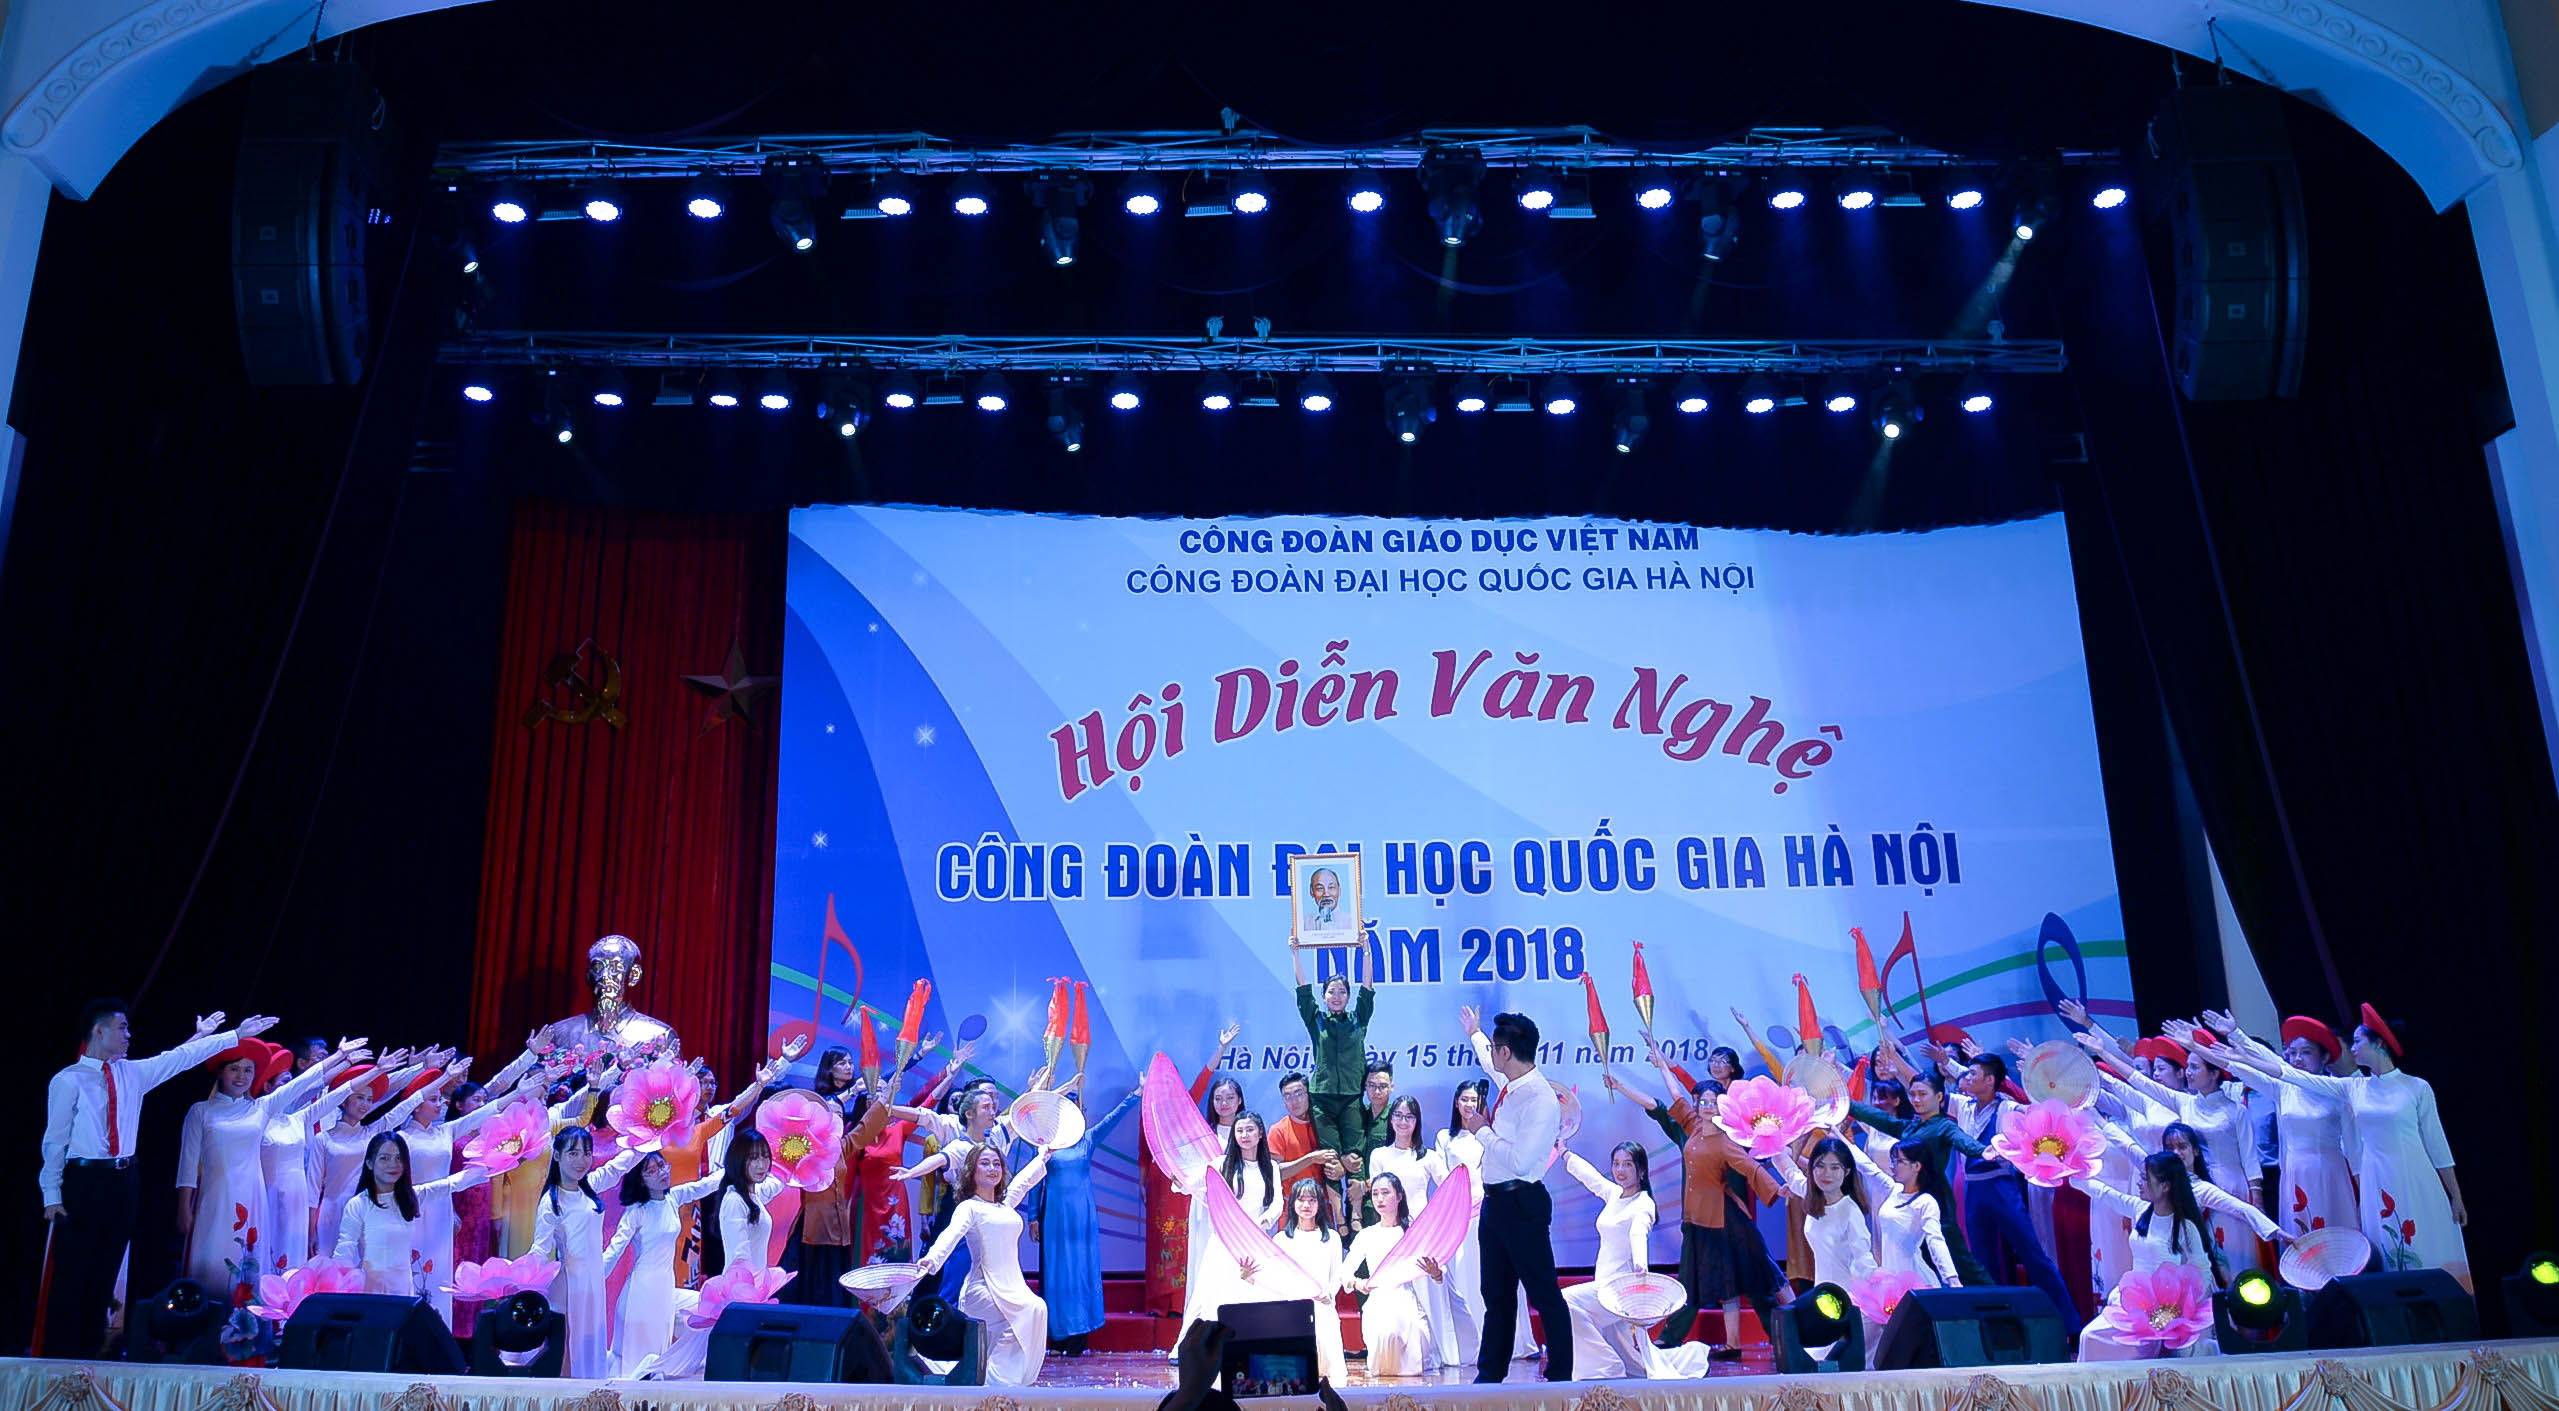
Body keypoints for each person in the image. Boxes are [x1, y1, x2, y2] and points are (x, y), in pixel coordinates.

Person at [40, 1003, 278, 1359]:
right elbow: (55, 1140)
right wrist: (51, 1193)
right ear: (98, 1031)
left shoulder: (133, 1073)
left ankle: (90, 1355)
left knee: (106, 1269)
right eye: (122, 1027)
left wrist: (233, 1036)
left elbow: (179, 1058)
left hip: (123, 1180)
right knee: (74, 1268)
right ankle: (58, 1357)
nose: (128, 1034)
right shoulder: (68, 1079)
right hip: (83, 1178)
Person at [2192, 1009, 2468, 1288]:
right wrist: (2232, 1043)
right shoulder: (2350, 1088)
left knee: (2421, 1237)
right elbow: (2282, 1070)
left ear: (2379, 1043)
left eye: (2357, 1042)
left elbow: (2436, 1145)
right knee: (2377, 1244)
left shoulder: (2414, 1087)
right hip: (2352, 1178)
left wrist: (2455, 1194)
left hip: (2406, 1173)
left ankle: (2440, 1298)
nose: (2352, 1048)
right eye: (2292, 1052)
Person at [1641, 1047, 1783, 1360]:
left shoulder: (1731, 1133)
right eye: (1702, 1102)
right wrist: (1663, 1065)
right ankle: (1727, 1344)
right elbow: (1675, 1094)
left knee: (1759, 1279)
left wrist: (1778, 1188)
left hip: (1728, 1216)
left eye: (1712, 1102)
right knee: (1720, 1283)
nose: (1706, 1106)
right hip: (1700, 1217)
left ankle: (1786, 1337)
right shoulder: (1693, 1126)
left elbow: (1750, 1165)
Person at [175, 1036, 346, 1296]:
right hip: (215, 1198)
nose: (241, 1076)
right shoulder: (201, 1111)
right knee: (210, 1262)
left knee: (247, 1267)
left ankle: (243, 1320)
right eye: (234, 1069)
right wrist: (183, 1209)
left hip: (253, 1199)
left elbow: (302, 1083)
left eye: (248, 1070)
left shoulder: (261, 1108)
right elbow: (187, 1165)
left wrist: (340, 1057)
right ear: (221, 1072)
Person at [1461, 1005, 1575, 1382]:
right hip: (1495, 1202)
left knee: (1543, 1292)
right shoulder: (1511, 1082)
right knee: (1496, 1294)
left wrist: (1481, 1130)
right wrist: (1475, 1033)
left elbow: (1522, 1162)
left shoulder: (1539, 1099)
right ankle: (1489, 1375)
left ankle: (1559, 1375)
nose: (1492, 1054)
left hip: (1522, 1201)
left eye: (1496, 1048)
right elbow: (1488, 1061)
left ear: (1507, 1052)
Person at [1554, 1137, 1719, 1379]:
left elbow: (1638, 1233)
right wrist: (1564, 1153)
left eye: (1628, 1164)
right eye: (1616, 1164)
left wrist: (1641, 1265)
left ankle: (1606, 1366)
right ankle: (1614, 1365)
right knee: (1633, 1363)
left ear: (1641, 1171)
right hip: (1604, 1283)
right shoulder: (1615, 1194)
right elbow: (1591, 1177)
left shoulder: (1643, 1204)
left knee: (1564, 1301)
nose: (1620, 1170)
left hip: (1619, 1289)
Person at [1947, 1051, 2081, 1320]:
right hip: (1973, 1191)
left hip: (2001, 1187)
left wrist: (2047, 1084)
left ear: (1990, 1080)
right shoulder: (1963, 1106)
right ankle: (1998, 1324)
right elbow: (1922, 1087)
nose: (1966, 1078)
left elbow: (2042, 1114)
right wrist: (1897, 1056)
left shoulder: (2007, 1108)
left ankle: (2068, 1322)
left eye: (1973, 1074)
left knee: (2031, 1252)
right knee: (1983, 1261)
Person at [1846, 1051, 1993, 1285]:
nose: (1916, 1099)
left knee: (1960, 1263)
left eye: (1922, 1094)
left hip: (1936, 1200)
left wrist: (1982, 1151)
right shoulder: (1909, 1128)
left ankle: (1998, 1305)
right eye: (1912, 1094)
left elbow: (1963, 1141)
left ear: (1939, 1097)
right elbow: (1878, 1118)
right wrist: (1846, 1104)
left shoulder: (1944, 1126)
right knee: (1920, 1263)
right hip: (1908, 1202)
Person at [918, 1144, 1053, 1387]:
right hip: (982, 1289)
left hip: (1011, 1288)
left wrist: (1042, 1156)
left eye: (996, 1163)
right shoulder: (969, 1207)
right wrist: (933, 1258)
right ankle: (996, 1384)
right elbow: (951, 1234)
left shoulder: (1004, 1206)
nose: (992, 1168)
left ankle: (995, 1379)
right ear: (972, 1170)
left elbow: (1022, 1183)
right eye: (985, 1163)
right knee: (1028, 1311)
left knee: (1036, 1309)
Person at [2070, 1152, 2226, 1360]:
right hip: (2137, 1302)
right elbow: (2106, 1194)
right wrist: (2072, 1176)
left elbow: (2203, 1269)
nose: (2139, 1183)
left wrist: (2184, 1306)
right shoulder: (2140, 1209)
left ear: (2166, 1186)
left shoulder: (2184, 1226)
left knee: (2114, 1344)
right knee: (2089, 1336)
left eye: (2145, 1178)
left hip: (2166, 1309)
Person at [1026, 1083, 1139, 1355]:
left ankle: (1079, 1338)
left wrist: (1135, 1096)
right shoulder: (1044, 1145)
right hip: (1054, 1215)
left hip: (1082, 1216)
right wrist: (1033, 1217)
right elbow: (1034, 1181)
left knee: (1080, 1270)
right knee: (1056, 1272)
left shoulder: (1087, 1139)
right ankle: (1057, 1338)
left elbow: (1112, 1119)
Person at [1431, 1077, 1534, 1368]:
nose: (1469, 1104)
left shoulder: (1491, 1134)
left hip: (1492, 1211)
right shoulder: (1445, 1138)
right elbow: (1443, 1179)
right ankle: (1474, 1344)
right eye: (1464, 1099)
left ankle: (1513, 1343)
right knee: (1467, 1278)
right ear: (1456, 1102)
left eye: (1474, 1100)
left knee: (1499, 1276)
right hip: (1461, 1217)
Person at [529, 1125, 643, 1379]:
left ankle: (590, 1394)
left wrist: (652, 1139)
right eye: (573, 1153)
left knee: (589, 1346)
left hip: (592, 1281)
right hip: (569, 1284)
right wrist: (521, 1278)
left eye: (586, 1153)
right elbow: (540, 1248)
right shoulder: (552, 1202)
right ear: (557, 1156)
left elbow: (618, 1167)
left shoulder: (588, 1186)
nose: (581, 1160)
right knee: (568, 1352)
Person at [601, 1149, 724, 1374]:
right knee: (638, 1369)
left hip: (665, 1289)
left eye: (661, 1165)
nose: (661, 1172)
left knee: (709, 1308)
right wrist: (591, 1279)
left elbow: (703, 1186)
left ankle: (685, 1365)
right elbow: (614, 1250)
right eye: (651, 1171)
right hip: (641, 1296)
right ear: (641, 1180)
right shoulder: (636, 1212)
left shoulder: (673, 1198)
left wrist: (732, 1170)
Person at [332, 1131, 497, 1295]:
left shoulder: (410, 1197)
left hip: (403, 1292)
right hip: (372, 1293)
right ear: (369, 1163)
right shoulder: (358, 1204)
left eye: (399, 1158)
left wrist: (492, 1164)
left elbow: (451, 1184)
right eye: (384, 1158)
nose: (393, 1164)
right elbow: (345, 1250)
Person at [1181, 1111, 1285, 1348]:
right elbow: (1190, 1184)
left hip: (1254, 1240)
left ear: (1260, 1133)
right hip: (1225, 1240)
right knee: (1210, 1293)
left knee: (1253, 1291)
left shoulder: (1270, 1167)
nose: (1244, 1135)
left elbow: (1277, 1203)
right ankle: (1193, 1347)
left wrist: (1263, 1222)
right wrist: (1179, 1181)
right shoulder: (1221, 1163)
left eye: (1249, 1130)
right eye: (1240, 1131)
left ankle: (1245, 1343)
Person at [1292, 943, 1373, 1193]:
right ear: (1324, 996)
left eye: (1342, 992)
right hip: (1322, 1099)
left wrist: (1366, 950)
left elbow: (1367, 988)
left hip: (1351, 1097)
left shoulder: (1359, 1019)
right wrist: (1295, 953)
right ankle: (1338, 1214)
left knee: (1354, 1157)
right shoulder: (1316, 1020)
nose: (1336, 996)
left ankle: (1357, 1211)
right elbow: (1303, 990)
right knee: (1330, 1159)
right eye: (1331, 991)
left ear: (1348, 996)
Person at [1342, 1172, 1441, 1375]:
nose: (1379, 1199)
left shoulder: (1412, 1233)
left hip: (1406, 1300)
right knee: (1386, 1342)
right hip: (1379, 1303)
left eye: (1386, 1193)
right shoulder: (1367, 1235)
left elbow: (1438, 1275)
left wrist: (1435, 1273)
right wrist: (1358, 1283)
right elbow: (1344, 1272)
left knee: (1413, 1357)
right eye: (1375, 1193)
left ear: (1399, 1196)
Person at [1270, 1177, 1349, 1385]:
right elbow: (1275, 1277)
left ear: (1320, 1204)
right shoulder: (1281, 1240)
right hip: (1293, 1311)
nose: (1306, 1205)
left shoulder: (1331, 1237)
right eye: (1301, 1199)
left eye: (1312, 1200)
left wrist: (1329, 1293)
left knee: (1331, 1372)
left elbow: (1337, 1274)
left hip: (1323, 1307)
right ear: (1292, 1203)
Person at [1877, 1139, 1962, 1287]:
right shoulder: (1895, 1190)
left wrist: (1952, 1278)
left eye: (1899, 1161)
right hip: (1891, 1277)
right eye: (1893, 1160)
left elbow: (1935, 1240)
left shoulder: (1925, 1202)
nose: (1892, 1166)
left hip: (1914, 1279)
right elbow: (1868, 1168)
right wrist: (1839, 1136)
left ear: (1916, 1166)